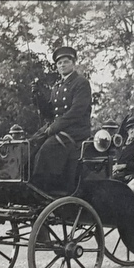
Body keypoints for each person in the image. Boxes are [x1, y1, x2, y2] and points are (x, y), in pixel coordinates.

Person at [29, 46, 92, 192]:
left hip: (76, 130)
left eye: (66, 62)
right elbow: (50, 113)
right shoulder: (57, 86)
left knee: (46, 149)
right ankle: (27, 183)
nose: (62, 65)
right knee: (30, 144)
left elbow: (76, 111)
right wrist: (38, 96)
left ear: (73, 63)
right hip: (59, 128)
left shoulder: (81, 83)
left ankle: (45, 188)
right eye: (59, 63)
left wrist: (54, 128)